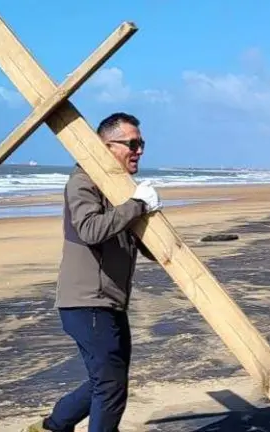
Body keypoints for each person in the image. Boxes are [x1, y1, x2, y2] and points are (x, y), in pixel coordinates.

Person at [28, 112, 161, 432]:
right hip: (86, 301)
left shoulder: (120, 189)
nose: (140, 150)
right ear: (106, 145)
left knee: (108, 380)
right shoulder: (83, 180)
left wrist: (153, 223)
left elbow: (139, 244)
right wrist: (138, 205)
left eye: (142, 143)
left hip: (110, 302)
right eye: (133, 143)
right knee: (110, 385)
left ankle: (53, 426)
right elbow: (89, 229)